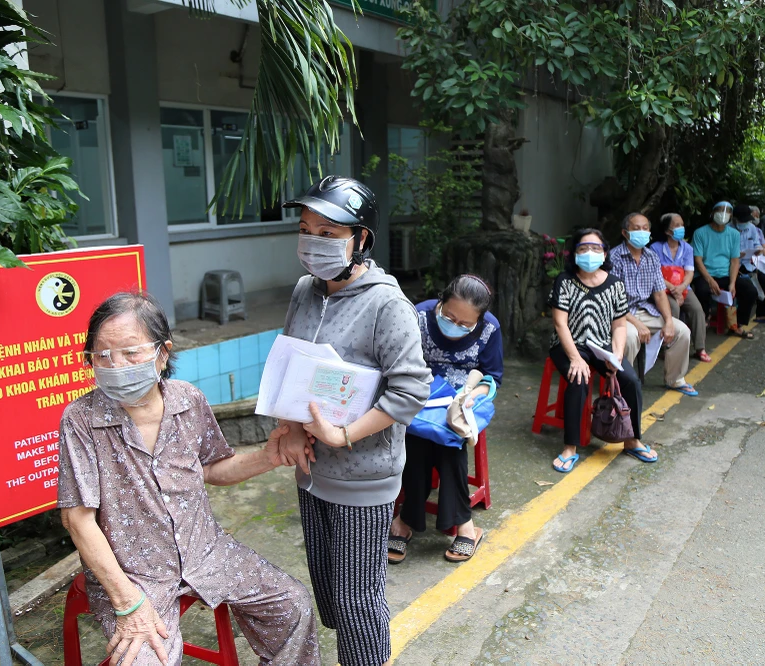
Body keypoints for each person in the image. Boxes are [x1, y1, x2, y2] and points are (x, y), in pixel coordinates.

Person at [58, 292, 319, 666]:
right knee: (145, 662)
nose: (116, 366)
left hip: (206, 551)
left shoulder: (188, 400)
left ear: (162, 353)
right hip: (134, 575)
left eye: (130, 352)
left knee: (292, 605)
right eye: (102, 356)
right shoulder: (81, 419)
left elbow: (212, 468)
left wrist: (266, 458)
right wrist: (127, 602)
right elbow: (77, 519)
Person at [278, 176, 431, 666]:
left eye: (328, 233)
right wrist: (290, 427)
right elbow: (293, 359)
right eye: (306, 230)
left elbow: (411, 391)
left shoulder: (387, 305)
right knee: (328, 587)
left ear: (361, 238)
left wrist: (344, 434)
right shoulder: (305, 290)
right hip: (310, 470)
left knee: (358, 600)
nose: (312, 242)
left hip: (364, 476)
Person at [389, 274, 503, 565]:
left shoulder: (490, 329)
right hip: (421, 396)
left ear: (479, 320)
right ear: (441, 301)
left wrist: (469, 396)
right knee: (417, 438)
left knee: (451, 439)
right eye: (450, 317)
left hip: (463, 401)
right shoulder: (418, 316)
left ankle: (455, 523)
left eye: (465, 324)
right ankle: (415, 518)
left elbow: (493, 377)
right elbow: (399, 361)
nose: (455, 326)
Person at [547, 228, 654, 474]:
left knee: (630, 380)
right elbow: (560, 324)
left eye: (595, 248)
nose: (589, 253)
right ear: (575, 253)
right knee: (579, 378)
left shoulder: (615, 284)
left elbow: (619, 325)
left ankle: (632, 440)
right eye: (583, 248)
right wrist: (575, 358)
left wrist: (617, 355)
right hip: (569, 344)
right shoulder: (565, 281)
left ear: (604, 253)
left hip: (601, 344)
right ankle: (570, 447)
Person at [608, 213, 697, 395]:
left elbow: (659, 294)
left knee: (682, 331)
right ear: (625, 233)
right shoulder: (614, 257)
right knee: (630, 336)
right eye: (636, 228)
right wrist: (637, 324)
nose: (642, 232)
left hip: (645, 310)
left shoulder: (651, 257)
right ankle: (622, 384)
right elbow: (614, 300)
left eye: (645, 228)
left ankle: (675, 379)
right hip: (620, 314)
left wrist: (669, 321)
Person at [691, 201, 759, 340]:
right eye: (720, 210)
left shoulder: (733, 234)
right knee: (702, 290)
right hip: (705, 275)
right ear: (712, 213)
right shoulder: (700, 233)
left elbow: (735, 260)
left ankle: (737, 325)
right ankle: (705, 317)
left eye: (727, 211)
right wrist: (710, 280)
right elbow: (698, 260)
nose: (723, 214)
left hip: (726, 274)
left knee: (750, 291)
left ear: (731, 216)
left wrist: (732, 283)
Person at [651, 213, 711, 362]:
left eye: (682, 225)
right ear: (667, 231)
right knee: (673, 308)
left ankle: (700, 348)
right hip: (662, 288)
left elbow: (690, 272)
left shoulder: (687, 248)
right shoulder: (655, 248)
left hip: (683, 287)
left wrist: (681, 287)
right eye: (677, 225)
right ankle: (668, 347)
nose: (681, 228)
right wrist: (673, 289)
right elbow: (655, 273)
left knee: (697, 310)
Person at [731, 205, 765, 323]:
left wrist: (758, 250)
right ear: (734, 219)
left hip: (748, 264)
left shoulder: (751, 228)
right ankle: (739, 322)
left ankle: (762, 315)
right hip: (732, 267)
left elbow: (757, 243)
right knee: (749, 290)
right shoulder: (728, 230)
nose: (744, 223)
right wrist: (736, 254)